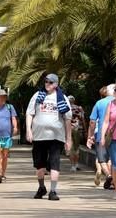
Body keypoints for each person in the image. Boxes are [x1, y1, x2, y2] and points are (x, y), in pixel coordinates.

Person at [26, 73, 72, 201]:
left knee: (54, 164)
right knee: (40, 165)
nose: (47, 84)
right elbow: (29, 113)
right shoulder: (37, 96)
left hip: (56, 137)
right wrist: (28, 130)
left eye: (50, 82)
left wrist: (69, 139)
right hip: (39, 136)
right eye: (46, 82)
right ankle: (41, 187)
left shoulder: (62, 98)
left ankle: (53, 190)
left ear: (56, 84)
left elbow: (67, 119)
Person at [87, 84, 115, 189]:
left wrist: (90, 136)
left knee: (102, 159)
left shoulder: (99, 103)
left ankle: (109, 175)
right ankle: (112, 181)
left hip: (101, 135)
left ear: (107, 92)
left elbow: (93, 121)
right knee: (112, 159)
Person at [0, 89, 18, 183]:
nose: (3, 98)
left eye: (4, 96)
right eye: (1, 96)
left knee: (5, 156)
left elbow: (13, 118)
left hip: (7, 135)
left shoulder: (10, 107)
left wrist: (15, 127)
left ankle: (3, 173)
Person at [67, 95, 85, 172]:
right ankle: (76, 164)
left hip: (69, 129)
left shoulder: (66, 109)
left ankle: (72, 166)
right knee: (77, 148)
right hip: (78, 129)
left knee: (71, 148)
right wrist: (85, 130)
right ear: (74, 101)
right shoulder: (79, 108)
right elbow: (83, 119)